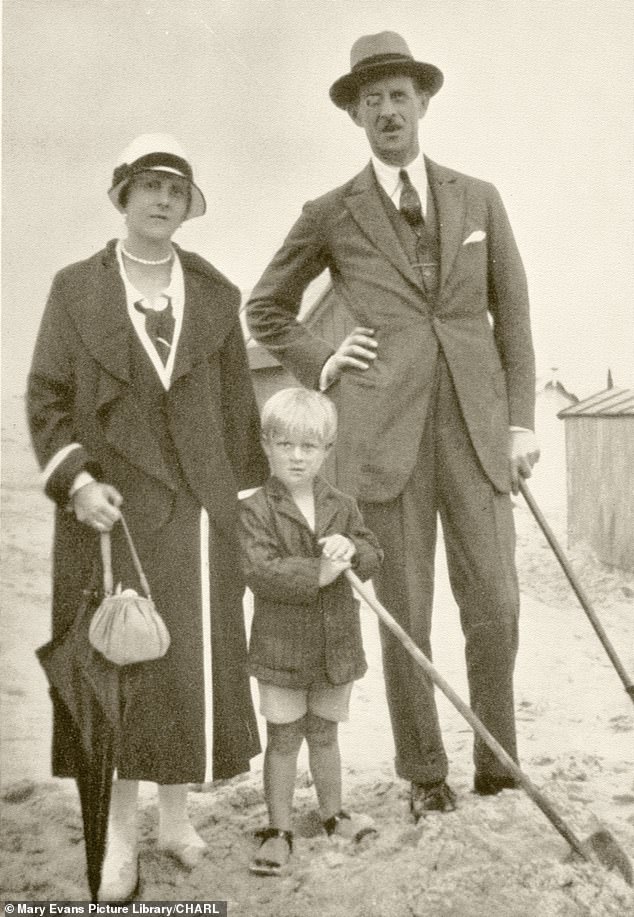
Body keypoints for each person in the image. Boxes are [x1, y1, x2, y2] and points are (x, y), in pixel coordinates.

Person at [247, 32, 540, 819]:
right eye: (370, 98)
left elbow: (511, 315)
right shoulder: (330, 212)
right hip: (382, 441)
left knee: (496, 605)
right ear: (356, 114)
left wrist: (519, 424)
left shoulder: (479, 197)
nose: (386, 109)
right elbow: (265, 306)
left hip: (478, 437)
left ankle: (499, 761)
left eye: (398, 94)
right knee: (405, 612)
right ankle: (424, 773)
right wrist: (321, 359)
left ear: (423, 102)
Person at [27, 134, 269, 900]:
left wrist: (242, 501)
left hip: (197, 517)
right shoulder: (75, 291)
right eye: (149, 186)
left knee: (188, 664)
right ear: (123, 198)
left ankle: (174, 819)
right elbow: (46, 399)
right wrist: (78, 482)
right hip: (111, 512)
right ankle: (120, 836)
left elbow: (237, 414)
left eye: (177, 190)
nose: (163, 200)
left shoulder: (216, 294)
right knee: (118, 668)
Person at [239, 387, 382, 875]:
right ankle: (278, 829)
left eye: (309, 447)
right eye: (286, 445)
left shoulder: (341, 504)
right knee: (282, 738)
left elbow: (371, 552)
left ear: (328, 449)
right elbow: (259, 569)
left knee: (324, 733)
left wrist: (351, 548)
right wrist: (317, 572)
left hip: (334, 647)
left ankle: (332, 813)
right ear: (266, 445)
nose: (297, 457)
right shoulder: (256, 508)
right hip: (281, 649)